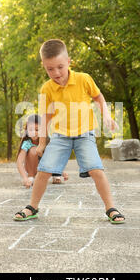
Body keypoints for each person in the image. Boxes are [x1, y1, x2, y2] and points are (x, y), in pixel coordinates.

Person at [14, 39, 125, 224]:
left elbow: (98, 97)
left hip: (85, 135)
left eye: (60, 67)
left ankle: (111, 208)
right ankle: (32, 207)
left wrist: (106, 116)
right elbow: (46, 118)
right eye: (50, 69)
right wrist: (41, 143)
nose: (56, 73)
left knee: (96, 169)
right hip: (60, 137)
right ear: (43, 66)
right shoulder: (47, 88)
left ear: (69, 62)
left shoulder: (83, 79)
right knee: (44, 171)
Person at [16, 114, 68, 188]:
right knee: (34, 150)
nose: (34, 132)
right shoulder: (27, 143)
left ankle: (55, 173)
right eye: (30, 130)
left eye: (37, 130)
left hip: (45, 169)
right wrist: (25, 178)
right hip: (32, 169)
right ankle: (32, 176)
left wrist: (61, 171)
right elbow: (19, 161)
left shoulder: (47, 140)